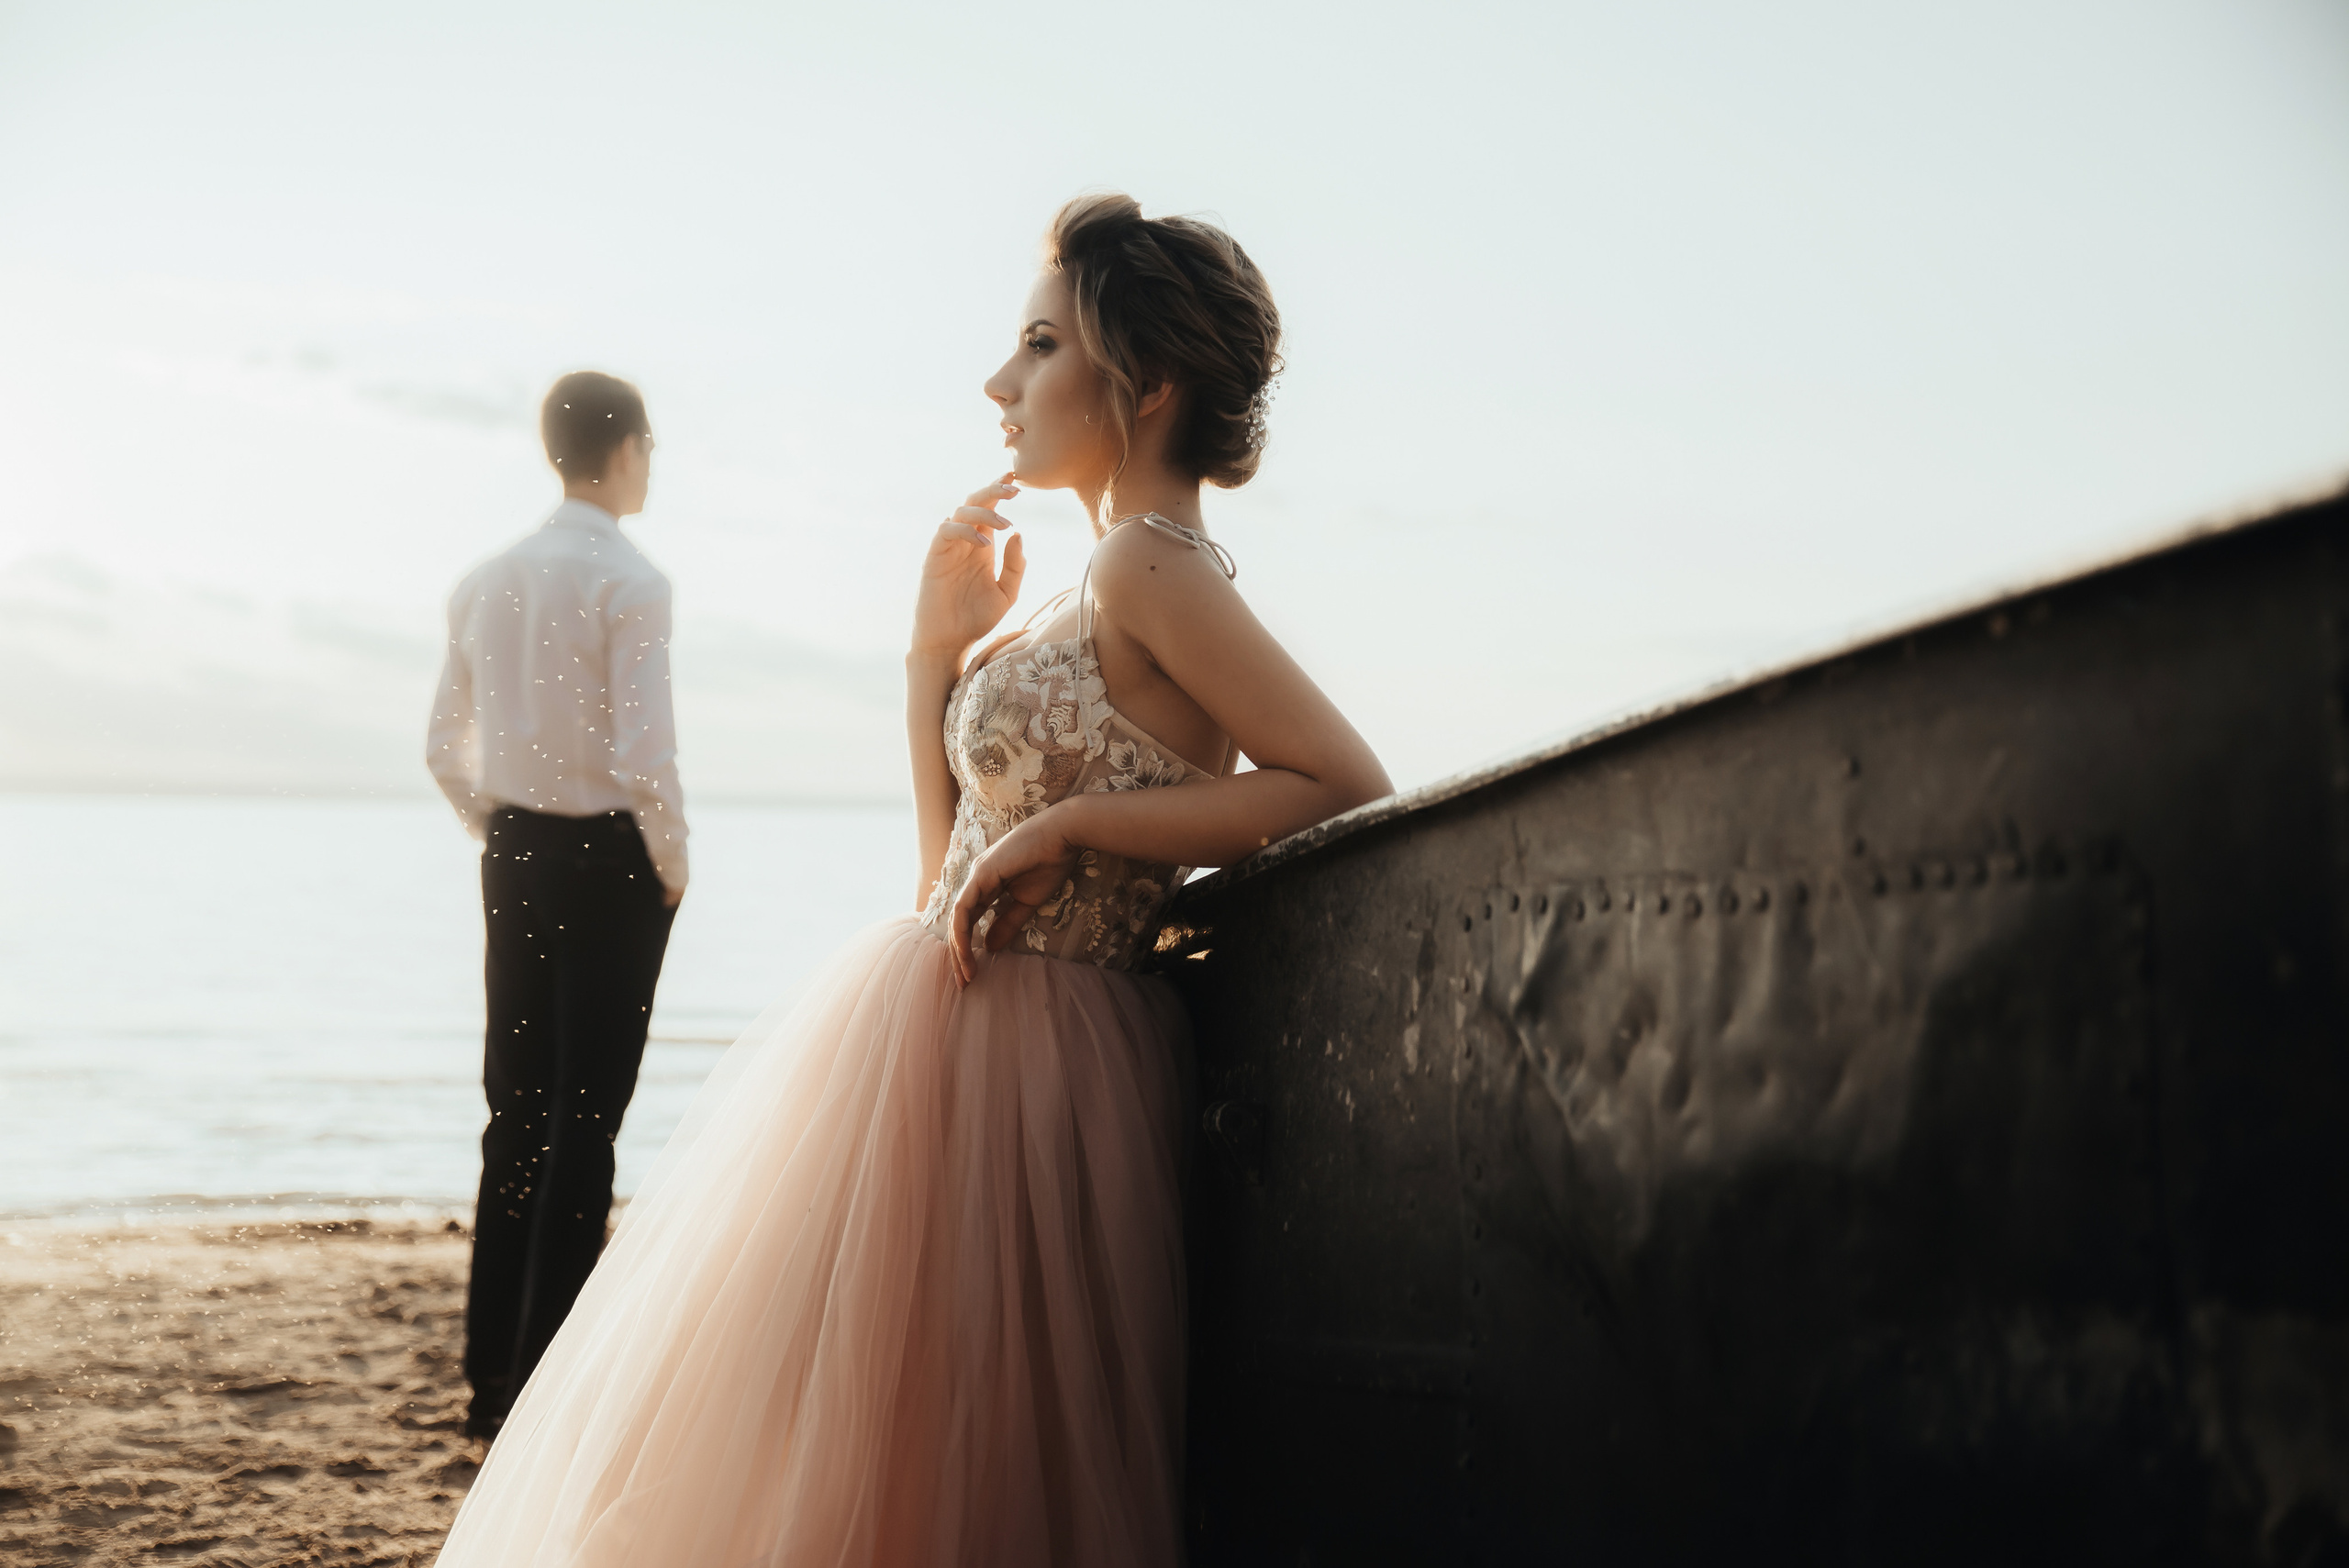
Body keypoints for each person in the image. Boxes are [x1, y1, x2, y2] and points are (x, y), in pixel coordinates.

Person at [430, 195, 1390, 1566]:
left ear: (1147, 384)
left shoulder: (1149, 563)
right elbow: (946, 877)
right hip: (948, 1033)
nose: (1000, 382)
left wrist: (1083, 826)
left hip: (1036, 1061)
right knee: (868, 1444)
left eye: (1040, 347)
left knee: (937, 1456)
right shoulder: (1092, 582)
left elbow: (1344, 782)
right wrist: (931, 658)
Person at [425, 370, 690, 1440]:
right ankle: (544, 1383)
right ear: (624, 448)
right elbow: (646, 753)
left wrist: (502, 830)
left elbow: (442, 748)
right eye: (650, 447)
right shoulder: (632, 580)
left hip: (515, 849)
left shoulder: (485, 579)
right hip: (610, 857)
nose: (650, 466)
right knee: (587, 1120)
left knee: (515, 1113)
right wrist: (671, 864)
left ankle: (490, 1372)